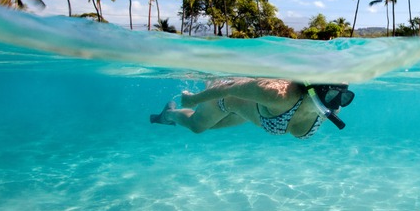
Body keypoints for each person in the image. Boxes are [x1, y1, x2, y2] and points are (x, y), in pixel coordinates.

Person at [150, 77, 354, 139]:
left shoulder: (333, 109)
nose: (336, 103)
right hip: (227, 98)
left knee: (211, 126)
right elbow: (229, 88)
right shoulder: (279, 95)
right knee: (197, 126)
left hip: (250, 111)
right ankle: (168, 114)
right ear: (314, 90)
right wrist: (193, 100)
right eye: (331, 95)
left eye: (344, 97)